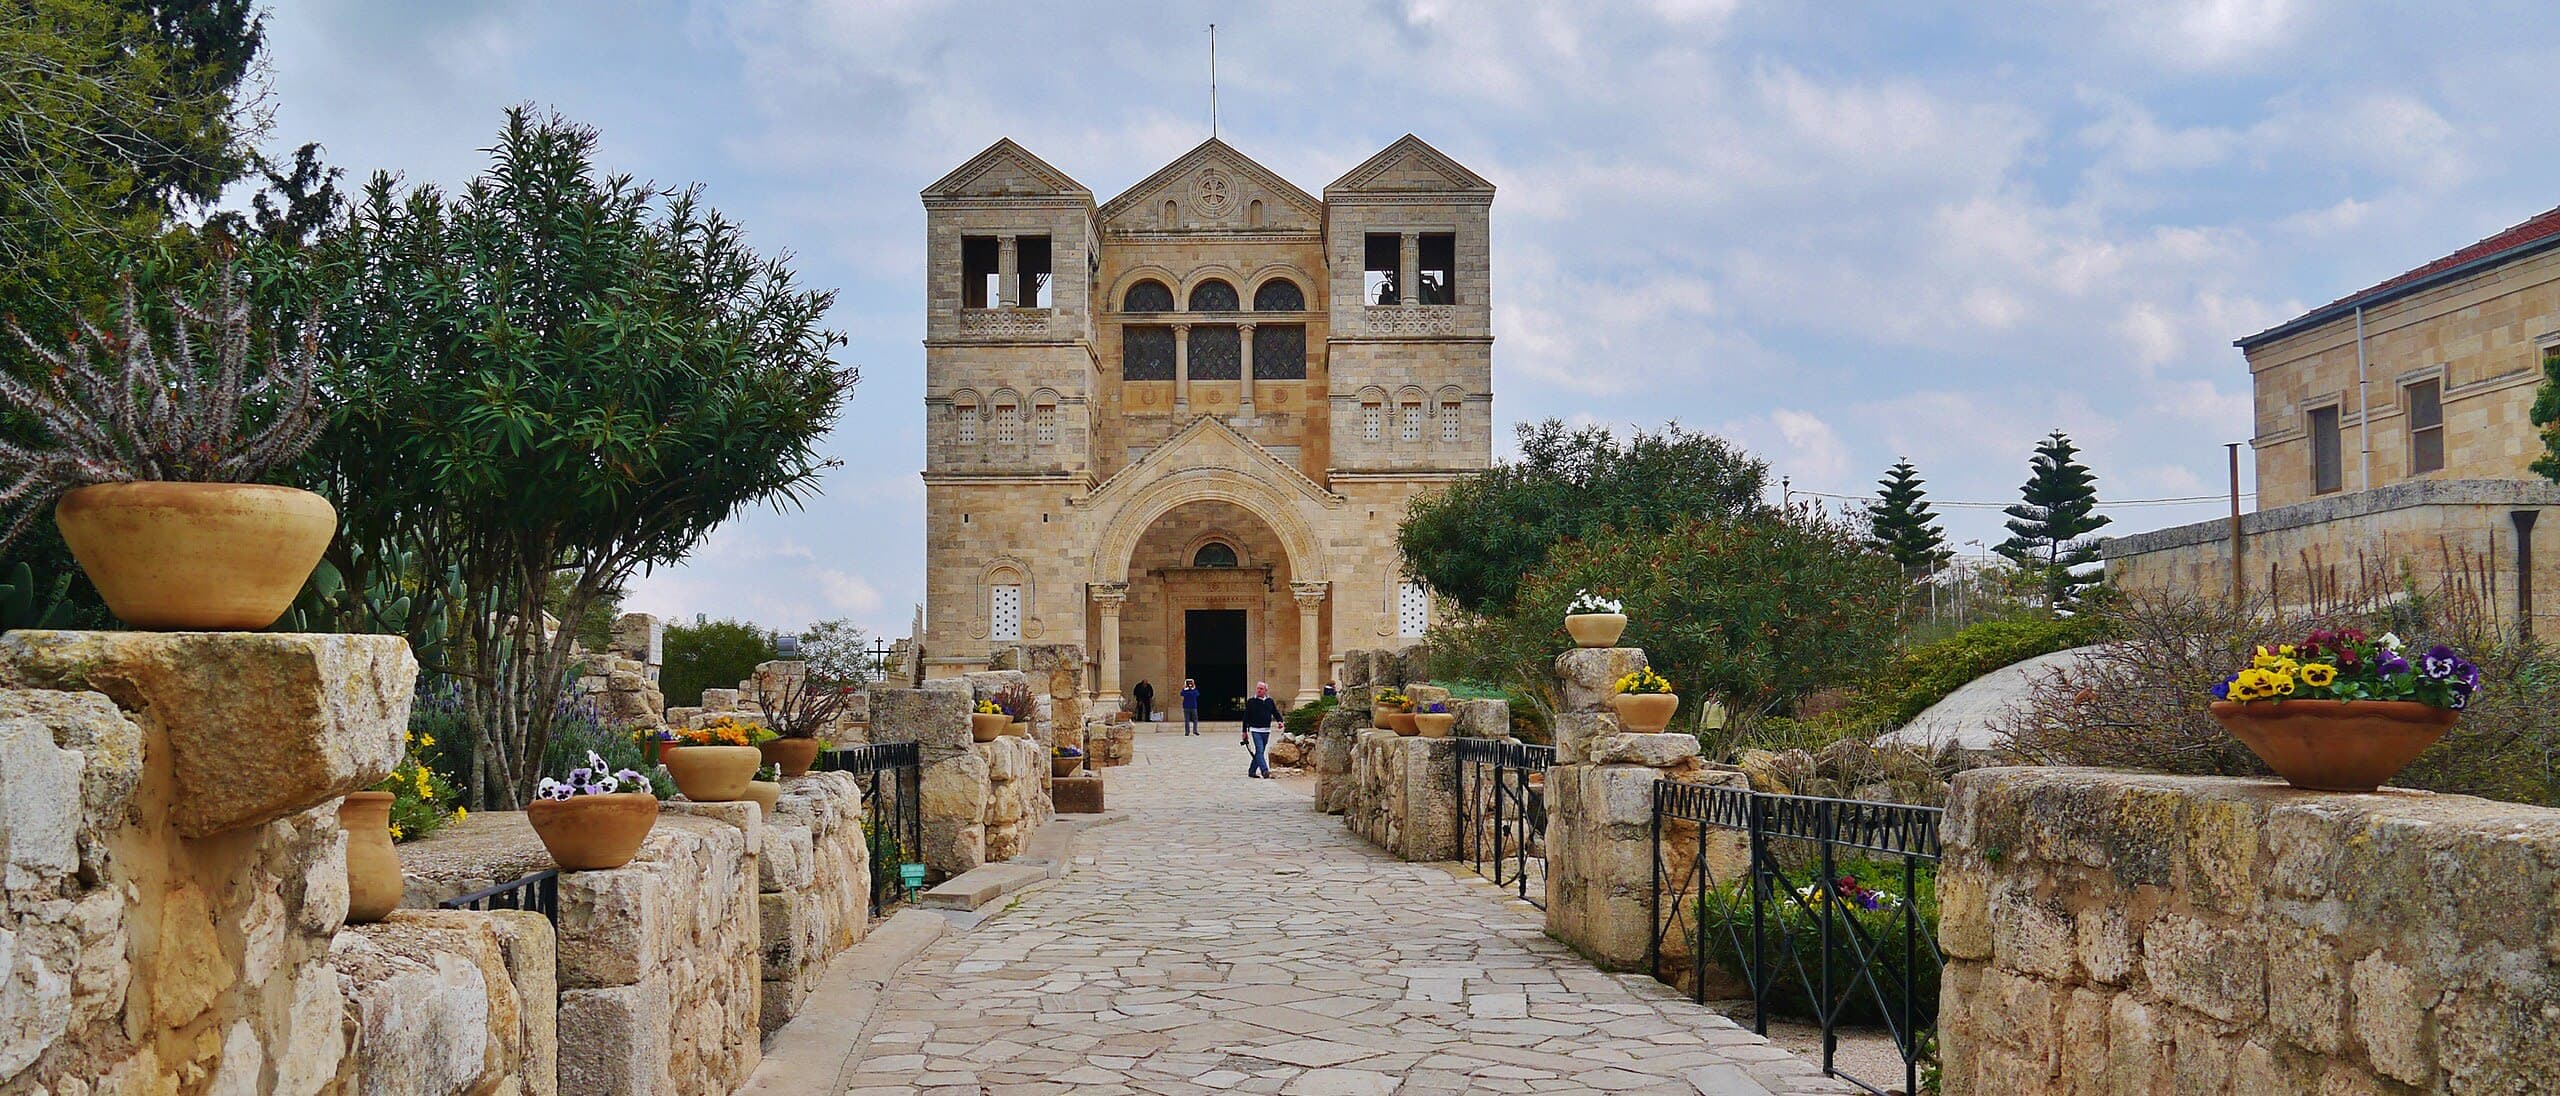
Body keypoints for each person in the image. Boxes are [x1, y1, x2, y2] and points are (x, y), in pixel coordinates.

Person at [1241, 681, 1281, 778]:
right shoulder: (1251, 702)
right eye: (1258, 688)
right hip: (1255, 730)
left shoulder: (1269, 701)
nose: (1259, 690)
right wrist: (1244, 731)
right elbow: (1246, 716)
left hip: (1266, 730)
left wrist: (1280, 721)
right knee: (1259, 750)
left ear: (1265, 691)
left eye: (1261, 689)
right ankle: (1265, 770)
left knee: (1260, 752)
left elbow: (1275, 712)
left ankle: (1252, 771)